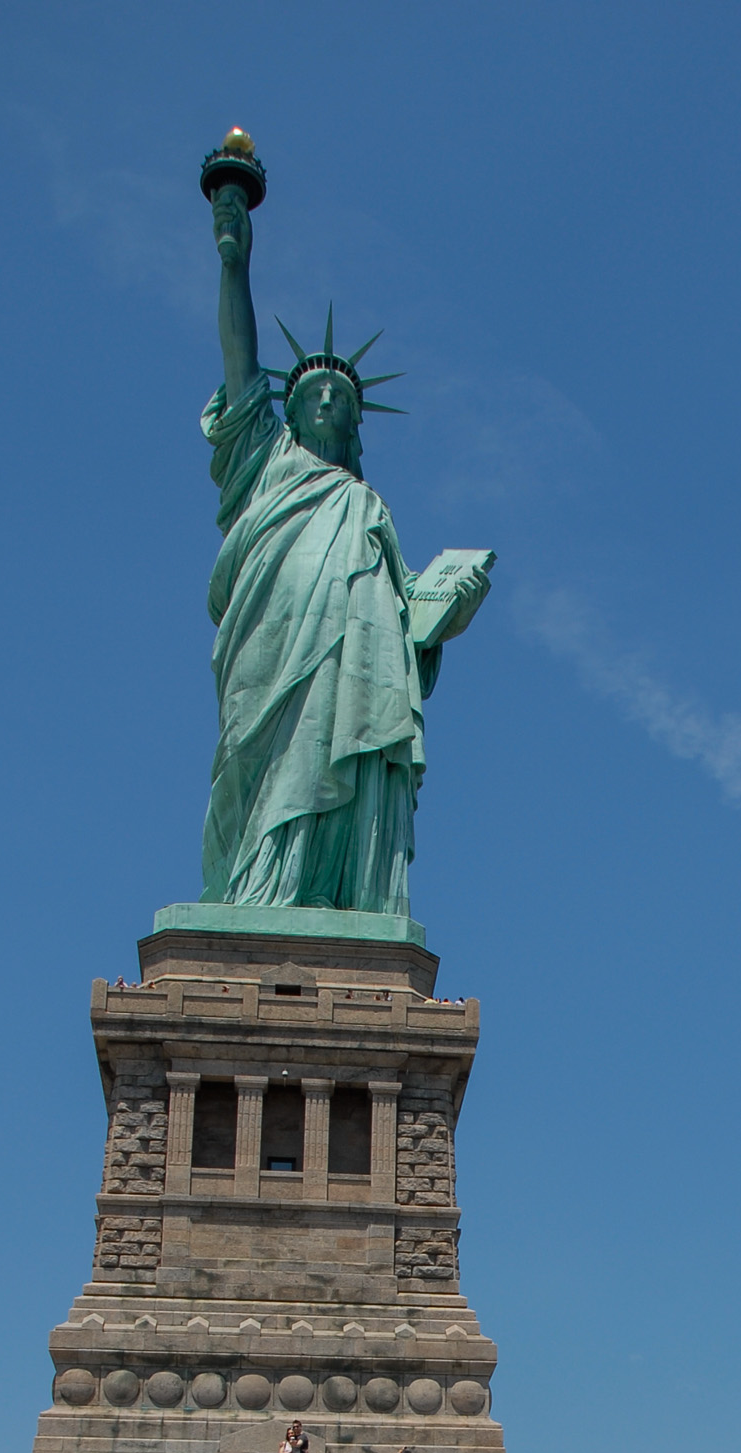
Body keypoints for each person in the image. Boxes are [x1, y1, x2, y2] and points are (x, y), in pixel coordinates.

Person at [204, 170, 491, 915]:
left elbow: (406, 626)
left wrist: (442, 613)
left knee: (351, 752)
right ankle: (259, 897)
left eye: (341, 399)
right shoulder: (265, 466)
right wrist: (233, 257)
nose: (328, 401)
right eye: (311, 395)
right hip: (273, 653)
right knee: (269, 765)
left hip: (356, 666)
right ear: (290, 414)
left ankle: (340, 899)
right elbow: (240, 370)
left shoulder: (367, 505)